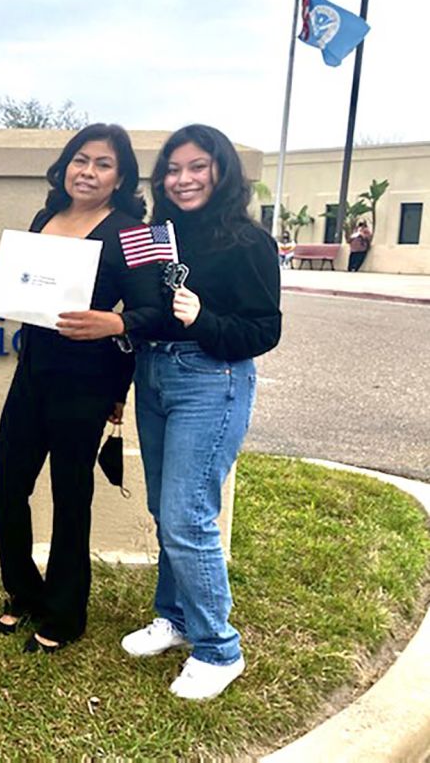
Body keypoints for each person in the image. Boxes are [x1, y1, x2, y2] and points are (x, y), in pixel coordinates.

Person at [0, 123, 160, 654]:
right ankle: (24, 592)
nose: (89, 171)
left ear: (121, 177)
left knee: (70, 494)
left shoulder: (132, 232)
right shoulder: (45, 218)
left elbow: (154, 313)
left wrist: (115, 323)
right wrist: (1, 296)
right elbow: (31, 289)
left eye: (103, 164)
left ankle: (65, 613)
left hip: (89, 377)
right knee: (6, 483)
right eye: (81, 160)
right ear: (65, 165)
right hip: (33, 369)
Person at [120, 124, 281, 700]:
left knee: (187, 514)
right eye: (173, 169)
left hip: (212, 379)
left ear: (221, 171)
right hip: (155, 373)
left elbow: (264, 330)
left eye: (197, 167)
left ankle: (219, 649)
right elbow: (146, 312)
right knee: (166, 509)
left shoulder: (246, 241)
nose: (183, 179)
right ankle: (178, 618)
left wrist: (202, 319)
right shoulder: (156, 236)